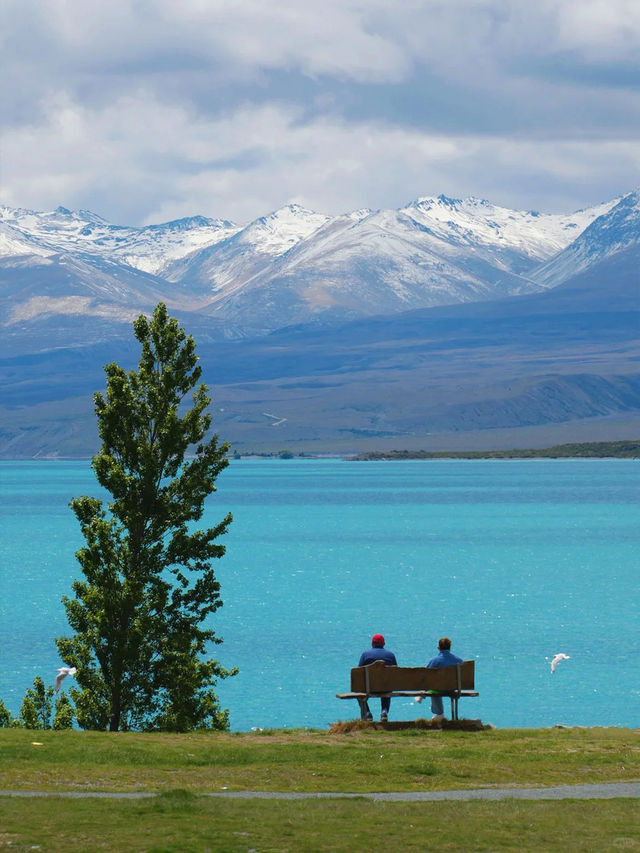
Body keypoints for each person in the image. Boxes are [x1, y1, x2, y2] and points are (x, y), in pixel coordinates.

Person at [358, 633, 397, 722]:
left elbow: (359, 672)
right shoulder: (390, 655)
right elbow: (395, 672)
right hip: (385, 688)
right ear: (383, 643)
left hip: (369, 688)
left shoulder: (365, 655)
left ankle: (367, 713)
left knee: (358, 692)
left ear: (372, 643)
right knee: (387, 686)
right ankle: (384, 711)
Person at [426, 637, 463, 722]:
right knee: (436, 687)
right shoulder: (459, 661)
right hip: (453, 688)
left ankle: (439, 713)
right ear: (450, 647)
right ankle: (445, 716)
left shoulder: (434, 661)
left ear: (439, 648)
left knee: (433, 688)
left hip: (438, 689)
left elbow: (426, 674)